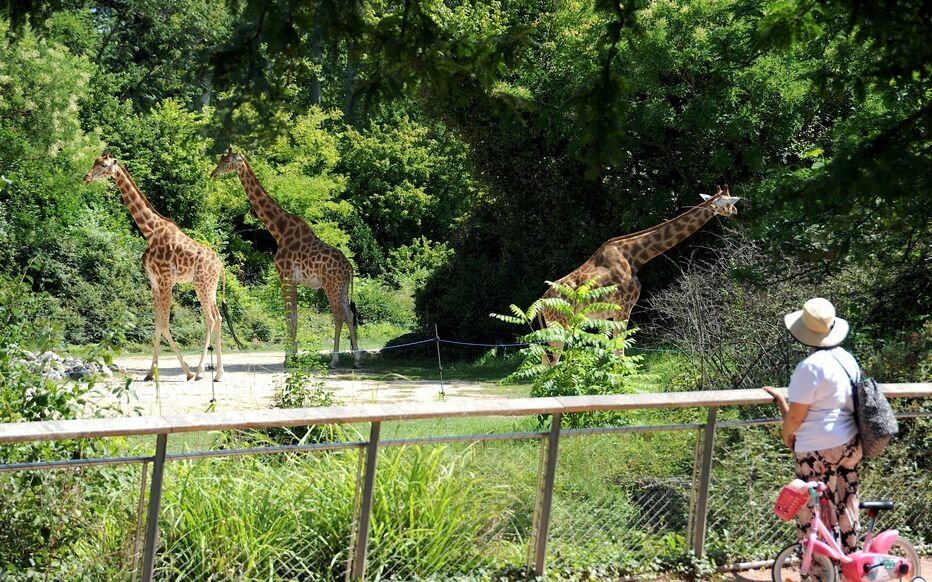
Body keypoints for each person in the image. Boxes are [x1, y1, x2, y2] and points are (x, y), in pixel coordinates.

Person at [763, 297, 863, 554]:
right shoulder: (847, 359)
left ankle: (818, 572)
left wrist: (787, 436)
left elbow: (795, 419)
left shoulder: (809, 368)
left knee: (814, 515)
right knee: (846, 505)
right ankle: (849, 567)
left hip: (816, 450)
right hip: (850, 443)